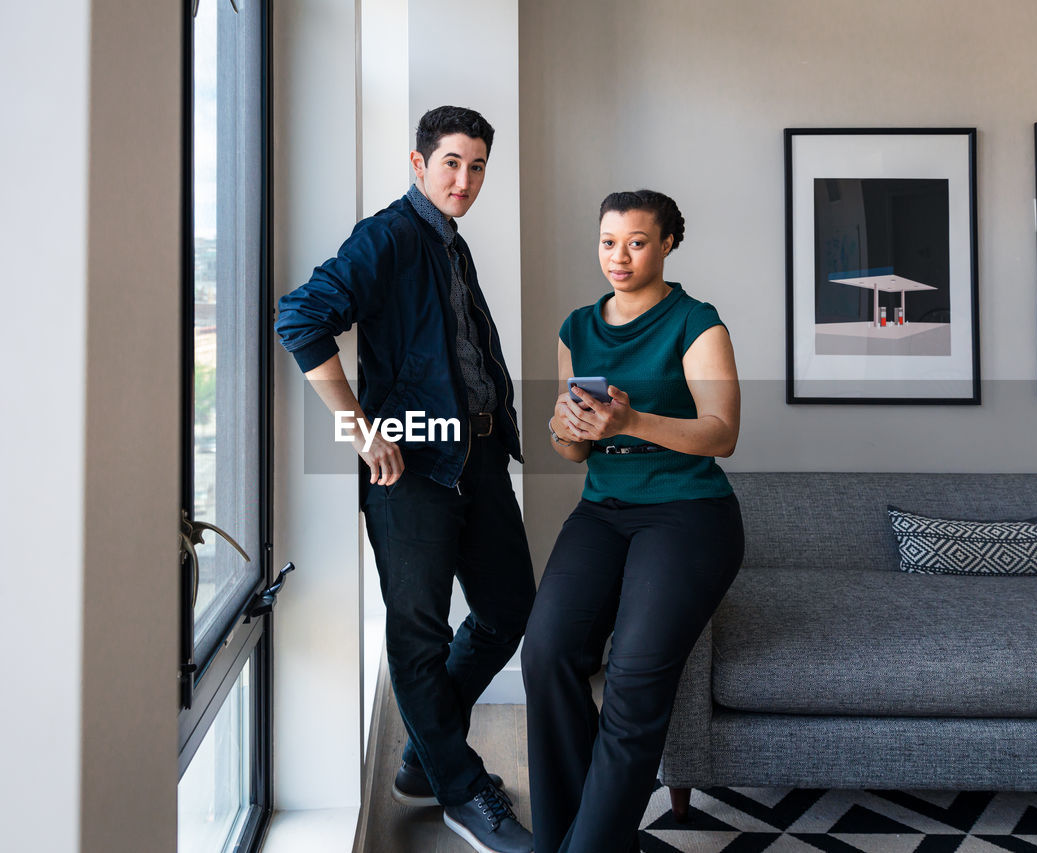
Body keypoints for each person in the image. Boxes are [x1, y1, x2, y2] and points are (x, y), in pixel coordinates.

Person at [274, 106, 536, 853]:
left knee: (508, 607)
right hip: (414, 468)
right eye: (451, 162)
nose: (465, 179)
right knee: (418, 632)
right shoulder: (387, 235)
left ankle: (427, 753)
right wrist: (358, 428)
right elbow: (301, 317)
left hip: (476, 458)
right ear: (418, 165)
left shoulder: (451, 245)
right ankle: (461, 789)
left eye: (477, 165)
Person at [522, 189, 745, 853]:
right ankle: (568, 838)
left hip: (690, 513)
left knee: (635, 674)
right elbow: (573, 450)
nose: (619, 256)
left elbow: (723, 433)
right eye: (608, 241)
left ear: (668, 243)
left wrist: (631, 420)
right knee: (546, 653)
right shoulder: (577, 328)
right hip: (604, 509)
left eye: (637, 241)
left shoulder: (696, 322)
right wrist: (568, 428)